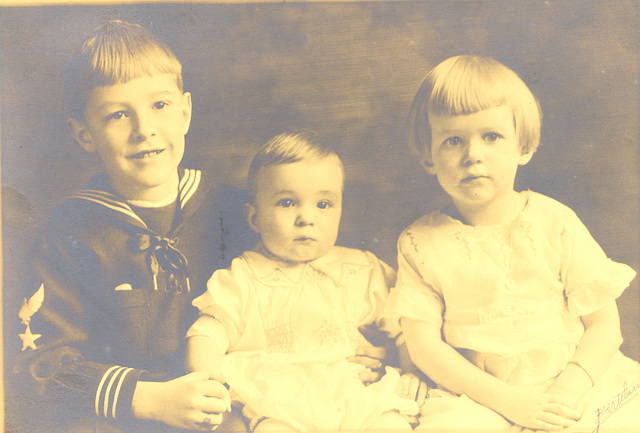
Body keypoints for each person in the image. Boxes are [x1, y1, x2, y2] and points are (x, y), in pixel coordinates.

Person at [12, 20, 256, 433]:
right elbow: (38, 367)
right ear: (84, 134)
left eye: (159, 106)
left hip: (231, 405)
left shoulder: (232, 210)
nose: (145, 130)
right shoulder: (69, 232)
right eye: (118, 115)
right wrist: (148, 399)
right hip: (127, 418)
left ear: (185, 112)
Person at [388, 55, 640, 432]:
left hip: (570, 380)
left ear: (523, 146)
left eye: (491, 136)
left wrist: (564, 396)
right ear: (429, 157)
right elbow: (425, 346)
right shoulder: (419, 243)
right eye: (453, 140)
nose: (473, 154)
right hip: (477, 394)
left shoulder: (554, 222)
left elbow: (604, 324)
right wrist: (507, 401)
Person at [185, 132, 424, 432]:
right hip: (280, 401)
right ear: (254, 218)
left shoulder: (362, 268)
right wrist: (207, 380)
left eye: (323, 204)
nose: (306, 217)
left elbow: (408, 326)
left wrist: (412, 370)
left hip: (356, 392)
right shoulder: (244, 276)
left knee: (391, 424)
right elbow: (210, 330)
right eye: (287, 203)